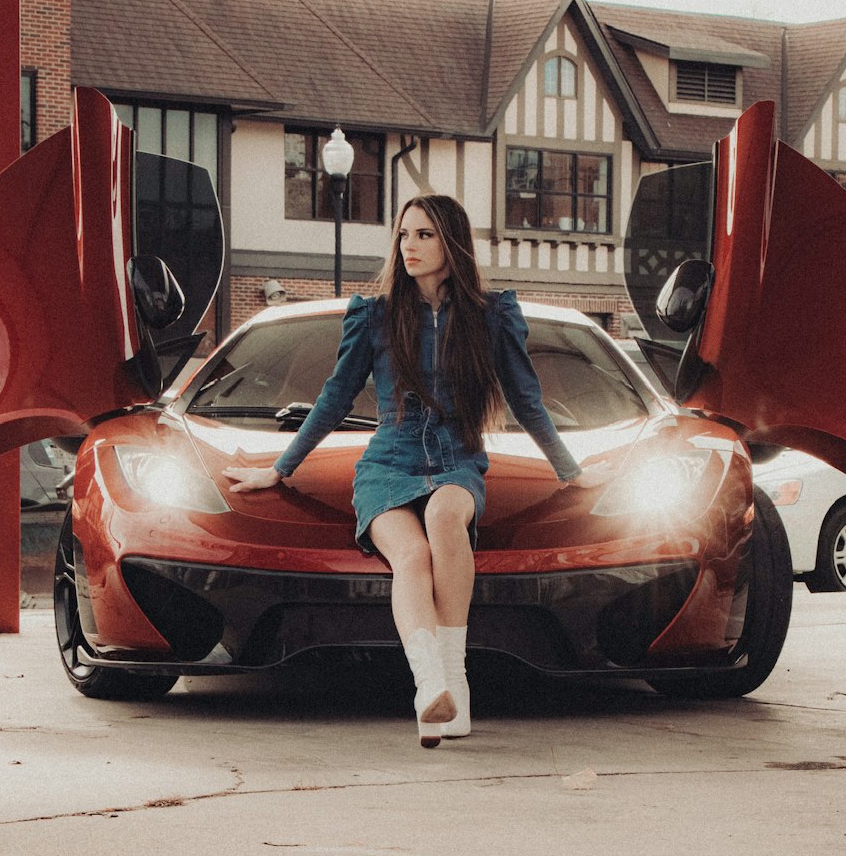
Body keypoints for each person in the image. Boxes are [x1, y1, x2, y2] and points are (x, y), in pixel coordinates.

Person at [224, 195, 606, 746]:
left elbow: (526, 399)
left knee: (448, 518)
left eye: (424, 236)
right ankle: (430, 686)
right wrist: (280, 468)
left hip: (458, 458)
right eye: (404, 236)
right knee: (410, 554)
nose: (409, 247)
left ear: (451, 244)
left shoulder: (491, 315)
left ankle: (456, 682)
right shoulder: (375, 315)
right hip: (388, 461)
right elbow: (334, 397)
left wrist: (568, 470)